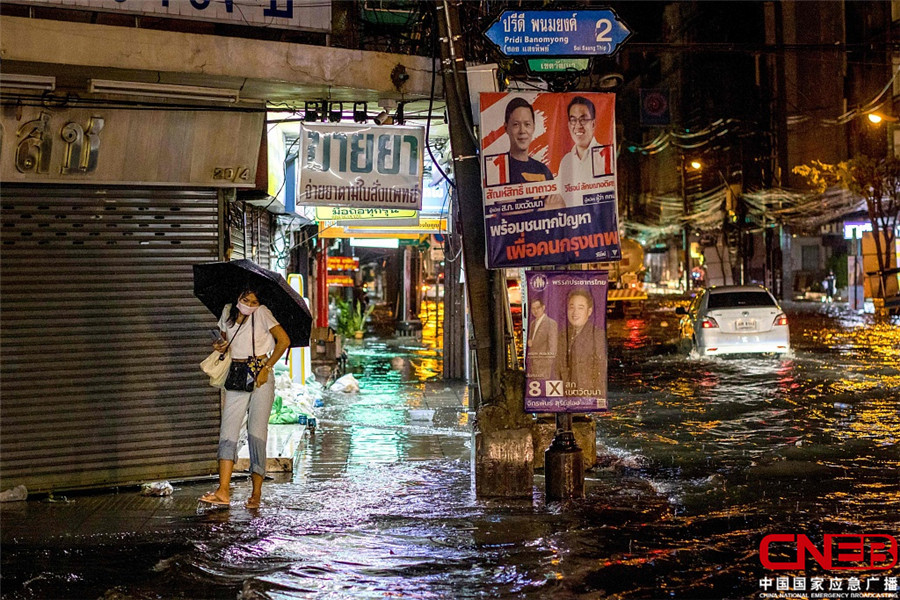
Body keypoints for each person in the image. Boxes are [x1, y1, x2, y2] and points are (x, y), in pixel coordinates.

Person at [200, 287, 290, 509]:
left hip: (260, 374)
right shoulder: (228, 311)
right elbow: (224, 341)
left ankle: (256, 493)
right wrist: (219, 345)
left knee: (256, 433)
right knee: (228, 431)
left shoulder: (262, 313)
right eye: (246, 299)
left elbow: (284, 341)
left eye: (254, 300)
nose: (250, 304)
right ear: (237, 297)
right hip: (237, 373)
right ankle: (223, 491)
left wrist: (267, 368)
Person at [503, 97, 564, 210]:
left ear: (533, 127)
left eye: (527, 124)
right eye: (516, 124)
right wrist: (545, 208)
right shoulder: (501, 170)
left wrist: (529, 210)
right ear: (506, 128)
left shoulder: (542, 169)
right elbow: (508, 212)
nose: (522, 131)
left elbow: (561, 206)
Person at [554, 288, 606, 396]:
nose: (575, 312)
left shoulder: (597, 335)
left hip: (586, 396)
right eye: (571, 307)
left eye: (580, 308)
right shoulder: (561, 336)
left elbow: (600, 370)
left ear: (589, 311)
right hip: (562, 396)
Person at [557, 96, 600, 192]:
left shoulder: (603, 155)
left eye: (583, 120)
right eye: (573, 120)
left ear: (593, 124)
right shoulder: (566, 161)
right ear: (568, 125)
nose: (578, 125)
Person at [526, 298, 558, 379]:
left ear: (543, 307)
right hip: (532, 366)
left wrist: (547, 364)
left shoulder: (551, 323)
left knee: (543, 388)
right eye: (533, 308)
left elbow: (553, 347)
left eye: (538, 308)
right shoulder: (533, 323)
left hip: (543, 367)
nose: (535, 311)